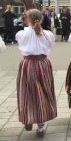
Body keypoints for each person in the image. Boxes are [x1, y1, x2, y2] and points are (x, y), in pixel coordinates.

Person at [15, 9, 57, 137]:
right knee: (43, 92)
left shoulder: (21, 34)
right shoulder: (48, 34)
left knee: (26, 92)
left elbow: (22, 42)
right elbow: (50, 45)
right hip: (43, 64)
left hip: (27, 64)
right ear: (41, 19)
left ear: (27, 19)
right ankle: (40, 126)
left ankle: (28, 117)